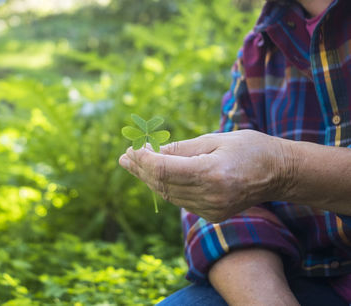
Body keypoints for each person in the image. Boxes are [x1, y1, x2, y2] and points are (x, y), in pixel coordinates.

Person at [119, 0, 351, 304]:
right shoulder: (261, 47)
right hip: (313, 281)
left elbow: (267, 169)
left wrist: (282, 169)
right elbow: (232, 209)